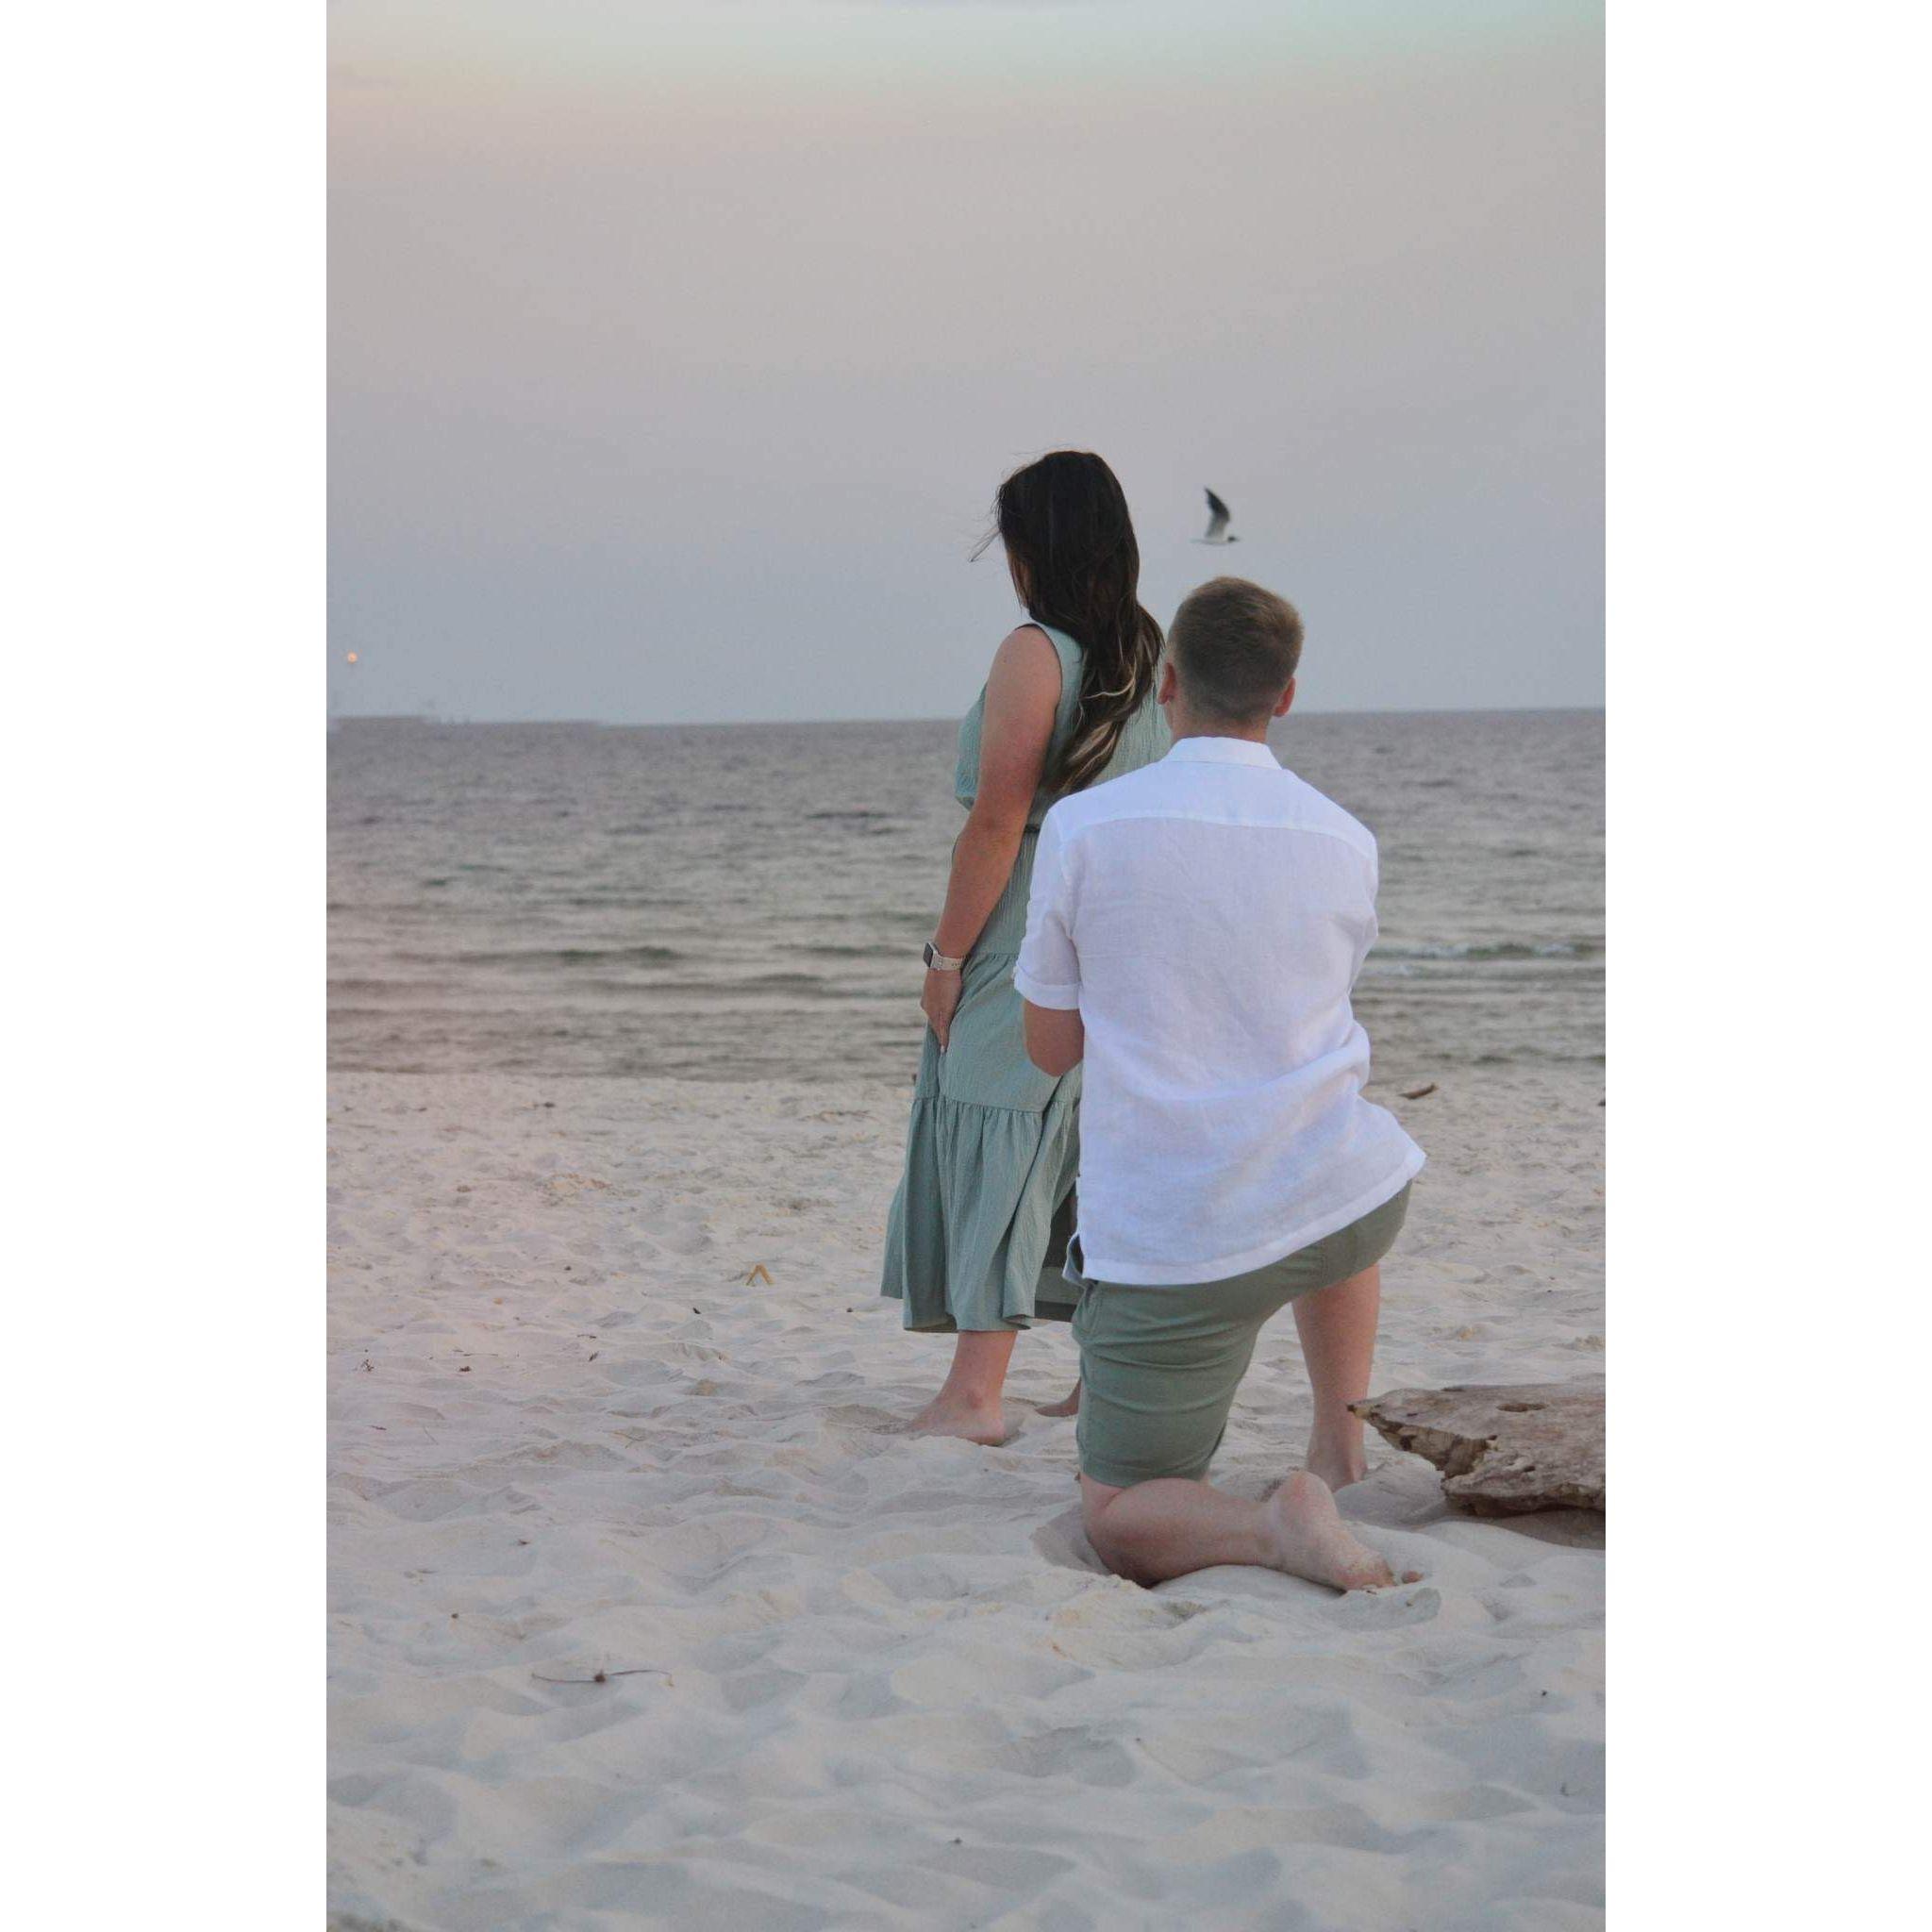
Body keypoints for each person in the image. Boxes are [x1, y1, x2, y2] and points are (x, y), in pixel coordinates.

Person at [1014, 576, 1425, 1590]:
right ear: (1285, 695)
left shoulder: (1085, 826)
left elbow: (1050, 1048)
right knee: (1325, 1170)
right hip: (1346, 1199)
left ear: (1167, 683)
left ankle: (1275, 1528)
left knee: (1119, 1515)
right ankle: (1338, 1446)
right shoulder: (1344, 837)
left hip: (1184, 1234)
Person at [879, 452, 1170, 1441]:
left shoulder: (1034, 652)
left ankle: (974, 1395)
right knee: (1096, 1146)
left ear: (1031, 547)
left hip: (1032, 917)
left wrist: (945, 960)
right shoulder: (1149, 652)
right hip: (1123, 921)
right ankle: (1105, 1381)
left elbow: (998, 821)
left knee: (999, 1126)